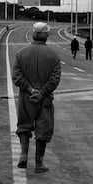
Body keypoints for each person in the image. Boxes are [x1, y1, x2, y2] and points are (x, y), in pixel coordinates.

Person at [12, 22, 61, 173]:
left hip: (26, 98)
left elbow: (17, 76)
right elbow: (54, 80)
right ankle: (39, 164)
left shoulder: (21, 54)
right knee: (43, 130)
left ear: (33, 34)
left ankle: (24, 154)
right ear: (46, 35)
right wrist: (41, 93)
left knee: (24, 126)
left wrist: (29, 89)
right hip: (44, 99)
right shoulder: (54, 56)